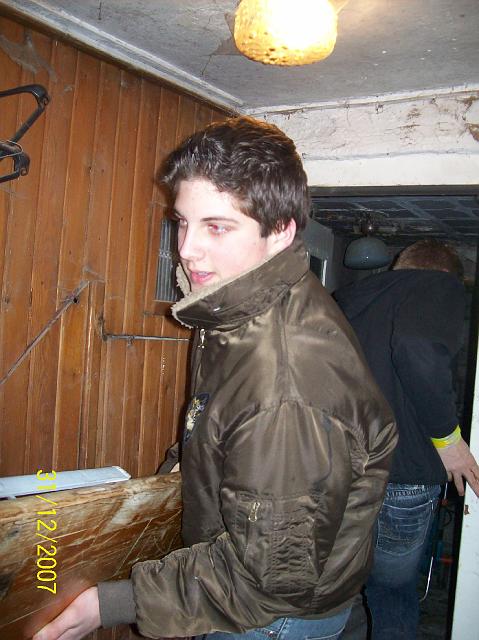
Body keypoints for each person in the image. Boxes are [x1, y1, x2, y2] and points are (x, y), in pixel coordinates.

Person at [33, 116, 397, 640]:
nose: (186, 248)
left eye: (217, 227)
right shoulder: (237, 305)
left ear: (280, 231)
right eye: (182, 222)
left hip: (270, 621)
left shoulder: (285, 387)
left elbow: (270, 581)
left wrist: (112, 603)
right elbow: (220, 430)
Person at [334, 239, 479, 640]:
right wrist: (449, 441)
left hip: (339, 473)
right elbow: (415, 348)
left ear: (399, 267)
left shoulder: (346, 302)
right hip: (403, 476)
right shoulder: (440, 286)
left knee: (332, 586)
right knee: (390, 593)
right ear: (447, 274)